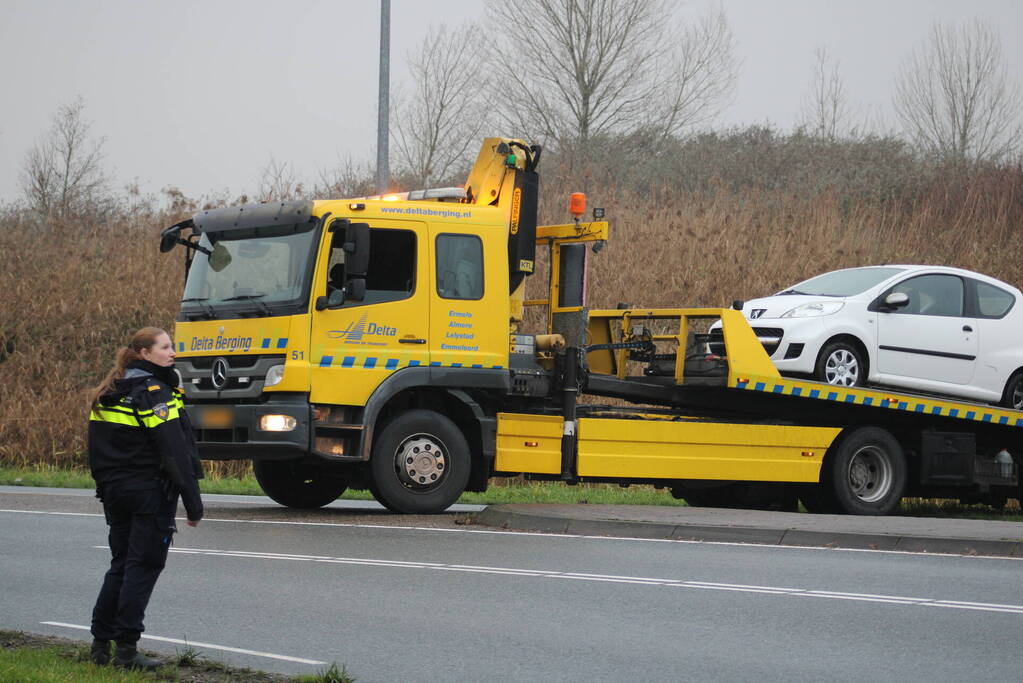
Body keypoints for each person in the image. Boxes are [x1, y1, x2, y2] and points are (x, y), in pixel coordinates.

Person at [86, 327, 204, 670]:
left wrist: (106, 488)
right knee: (143, 566)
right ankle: (126, 651)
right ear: (144, 353)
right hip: (149, 493)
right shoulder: (153, 392)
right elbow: (174, 451)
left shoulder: (110, 390)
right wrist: (193, 502)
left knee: (121, 565)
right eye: (166, 347)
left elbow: (97, 450)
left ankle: (99, 645)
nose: (173, 353)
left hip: (115, 492)